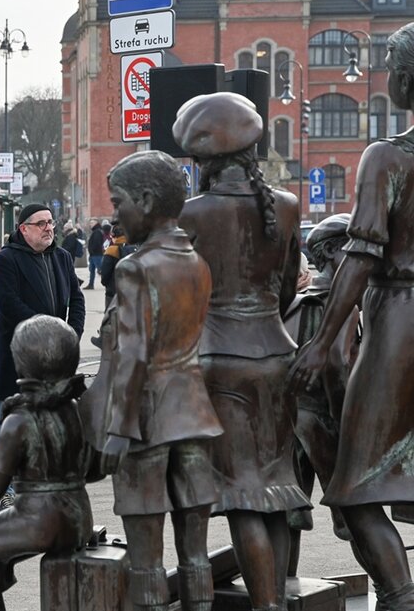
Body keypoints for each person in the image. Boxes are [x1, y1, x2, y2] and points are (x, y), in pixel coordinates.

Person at [289, 24, 414, 611]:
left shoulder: (387, 156)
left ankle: (399, 595)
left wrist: (322, 342)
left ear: (407, 77)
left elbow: (362, 253)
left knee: (354, 483)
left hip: (400, 320)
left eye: (390, 66)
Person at [176, 92, 308, 611]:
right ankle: (271, 600)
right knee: (274, 490)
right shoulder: (288, 206)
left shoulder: (190, 214)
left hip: (219, 360)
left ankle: (266, 605)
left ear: (203, 159)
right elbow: (287, 292)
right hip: (278, 354)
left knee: (238, 495)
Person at [99, 150, 225, 611]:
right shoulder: (196, 261)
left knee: (146, 556)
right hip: (194, 414)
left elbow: (133, 355)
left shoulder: (136, 268)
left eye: (119, 203)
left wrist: (118, 428)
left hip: (147, 422)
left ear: (146, 200)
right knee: (196, 553)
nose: (114, 215)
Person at [0, 316, 97, 611]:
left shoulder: (20, 420)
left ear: (23, 363)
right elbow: (93, 467)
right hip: (78, 516)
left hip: (39, 520)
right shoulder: (76, 408)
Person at [282, 213, 359, 573]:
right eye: (352, 248)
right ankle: (391, 591)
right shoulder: (338, 301)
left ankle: (280, 590)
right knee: (359, 518)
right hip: (328, 423)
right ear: (329, 251)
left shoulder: (299, 301)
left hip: (290, 424)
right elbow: (339, 367)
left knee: (287, 516)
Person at [0, 204, 86, 402]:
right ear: (23, 228)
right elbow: (9, 304)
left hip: (57, 356)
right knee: (15, 425)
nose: (48, 228)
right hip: (20, 355)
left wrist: (72, 334)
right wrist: (49, 332)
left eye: (50, 222)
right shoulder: (6, 259)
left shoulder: (62, 257)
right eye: (41, 223)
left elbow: (76, 298)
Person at [85, 218, 106, 289]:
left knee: (101, 270)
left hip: (96, 254)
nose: (90, 224)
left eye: (92, 223)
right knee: (92, 270)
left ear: (96, 223)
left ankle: (108, 283)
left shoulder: (97, 232)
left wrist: (92, 250)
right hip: (93, 254)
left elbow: (97, 243)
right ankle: (91, 284)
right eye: (90, 223)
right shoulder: (96, 231)